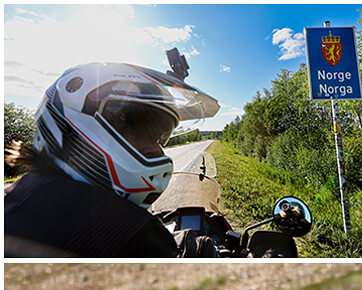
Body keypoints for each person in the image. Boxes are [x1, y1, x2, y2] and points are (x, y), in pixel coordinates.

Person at [5, 61, 218, 257]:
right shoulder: (130, 232)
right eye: (133, 125)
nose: (157, 149)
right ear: (76, 117)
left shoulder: (16, 194)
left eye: (160, 136)